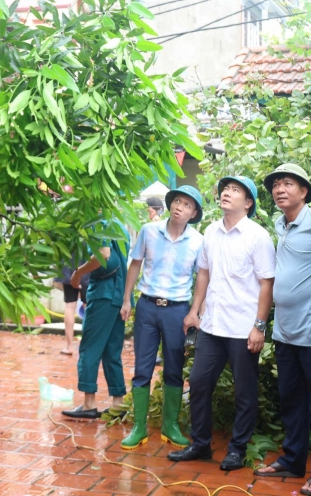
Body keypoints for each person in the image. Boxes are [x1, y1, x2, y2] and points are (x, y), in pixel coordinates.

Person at [171, 176, 275, 471]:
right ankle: (201, 443)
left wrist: (259, 326)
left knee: (245, 391)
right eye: (225, 189)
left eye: (235, 190)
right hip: (212, 325)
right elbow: (204, 273)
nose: (226, 193)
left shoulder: (257, 236)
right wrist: (195, 311)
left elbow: (267, 284)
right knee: (199, 382)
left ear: (248, 202)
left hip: (243, 328)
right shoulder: (211, 231)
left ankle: (237, 450)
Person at [253, 164, 311, 495]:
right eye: (276, 184)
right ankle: (292, 459)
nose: (279, 189)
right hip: (284, 332)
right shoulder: (281, 223)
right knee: (291, 400)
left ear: (304, 191)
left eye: (287, 183)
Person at [118, 185, 205, 449]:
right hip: (147, 307)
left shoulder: (198, 241)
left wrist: (194, 311)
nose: (180, 207)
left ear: (194, 213)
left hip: (177, 311)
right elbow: (135, 264)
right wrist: (127, 299)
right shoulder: (148, 231)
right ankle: (139, 428)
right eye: (177, 201)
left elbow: (203, 277)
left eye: (187, 205)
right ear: (170, 204)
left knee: (174, 368)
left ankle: (170, 426)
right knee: (142, 368)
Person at [62, 221, 131, 419]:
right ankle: (118, 402)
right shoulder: (120, 224)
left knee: (89, 347)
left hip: (103, 294)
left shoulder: (99, 222)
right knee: (112, 350)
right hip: (119, 296)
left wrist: (78, 273)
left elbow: (103, 254)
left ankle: (89, 404)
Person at [54, 255, 83, 355]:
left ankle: (69, 346)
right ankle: (88, 346)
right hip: (86, 268)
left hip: (69, 267)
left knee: (70, 306)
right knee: (87, 306)